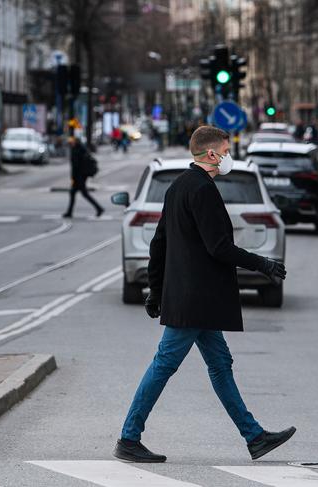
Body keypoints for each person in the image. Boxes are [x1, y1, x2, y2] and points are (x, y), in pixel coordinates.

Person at [113, 126, 295, 463]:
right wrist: (263, 264)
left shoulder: (178, 186)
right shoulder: (202, 189)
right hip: (195, 299)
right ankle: (128, 437)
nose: (229, 156)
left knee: (220, 365)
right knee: (164, 364)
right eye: (226, 150)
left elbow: (159, 243)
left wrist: (155, 290)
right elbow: (220, 247)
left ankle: (254, 437)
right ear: (211, 154)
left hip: (192, 299)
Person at [62, 136, 104, 218]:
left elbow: (75, 166)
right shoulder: (82, 148)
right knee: (76, 193)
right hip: (82, 176)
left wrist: (73, 178)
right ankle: (98, 208)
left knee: (80, 194)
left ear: (75, 142)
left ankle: (99, 208)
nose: (70, 143)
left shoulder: (76, 150)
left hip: (79, 177)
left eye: (72, 141)